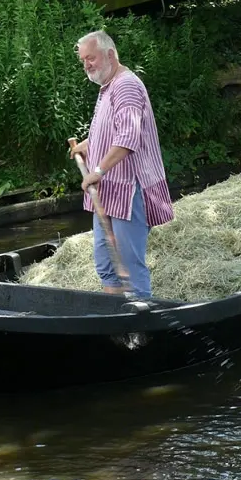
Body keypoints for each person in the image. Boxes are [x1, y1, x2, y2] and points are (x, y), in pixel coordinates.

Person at [70, 30, 174, 299]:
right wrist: (88, 144)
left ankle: (140, 326)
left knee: (129, 267)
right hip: (108, 190)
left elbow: (128, 138)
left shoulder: (126, 86)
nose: (86, 65)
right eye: (83, 60)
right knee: (107, 267)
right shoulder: (108, 87)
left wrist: (97, 170)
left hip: (129, 190)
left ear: (110, 54)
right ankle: (117, 321)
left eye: (90, 58)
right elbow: (110, 132)